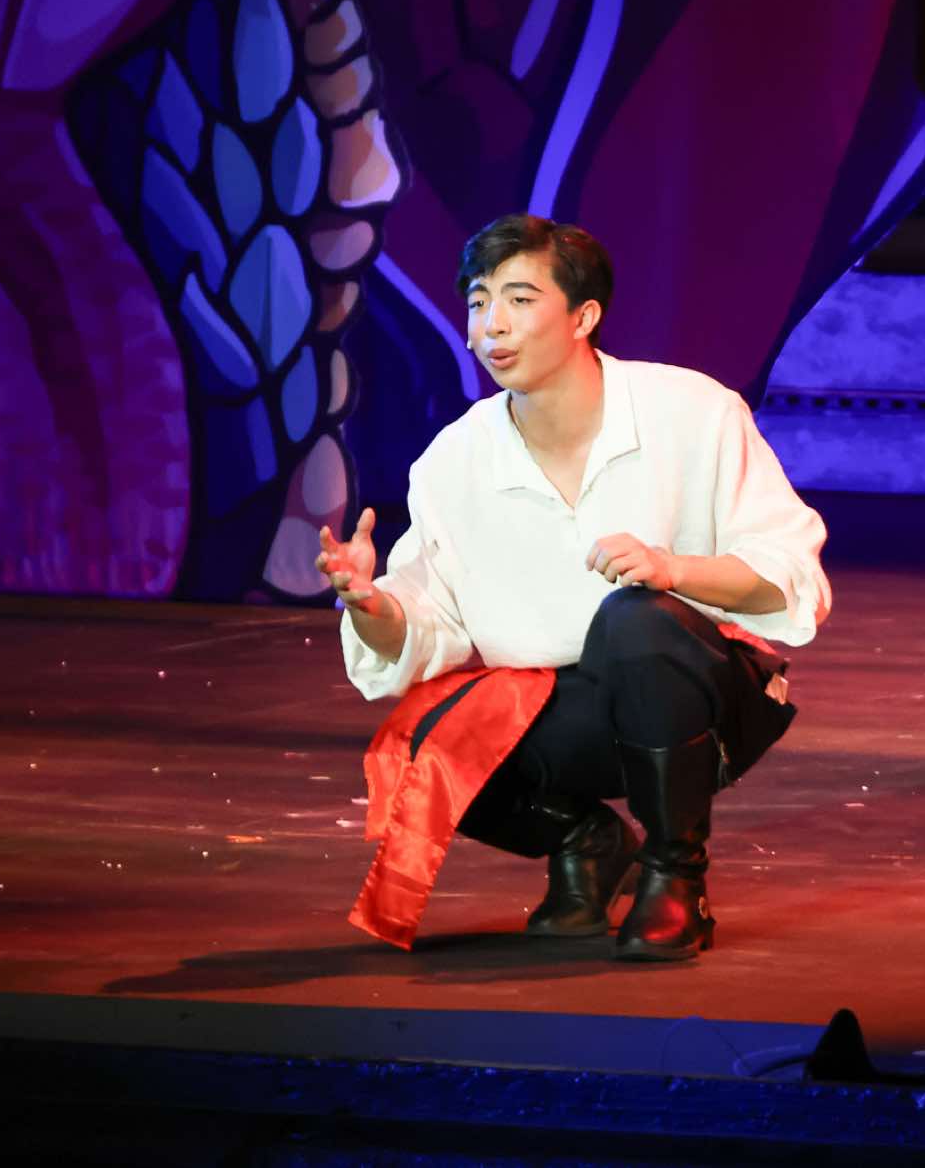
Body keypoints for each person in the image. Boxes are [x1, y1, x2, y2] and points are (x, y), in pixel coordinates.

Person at [319, 213, 830, 960]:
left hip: (702, 697)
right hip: (564, 710)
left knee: (635, 619)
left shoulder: (692, 411)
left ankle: (675, 874)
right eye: (479, 301)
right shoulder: (454, 460)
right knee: (420, 743)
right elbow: (425, 625)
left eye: (520, 300)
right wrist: (370, 605)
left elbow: (790, 574)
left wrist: (674, 570)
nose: (492, 324)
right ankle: (586, 841)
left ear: (584, 316)